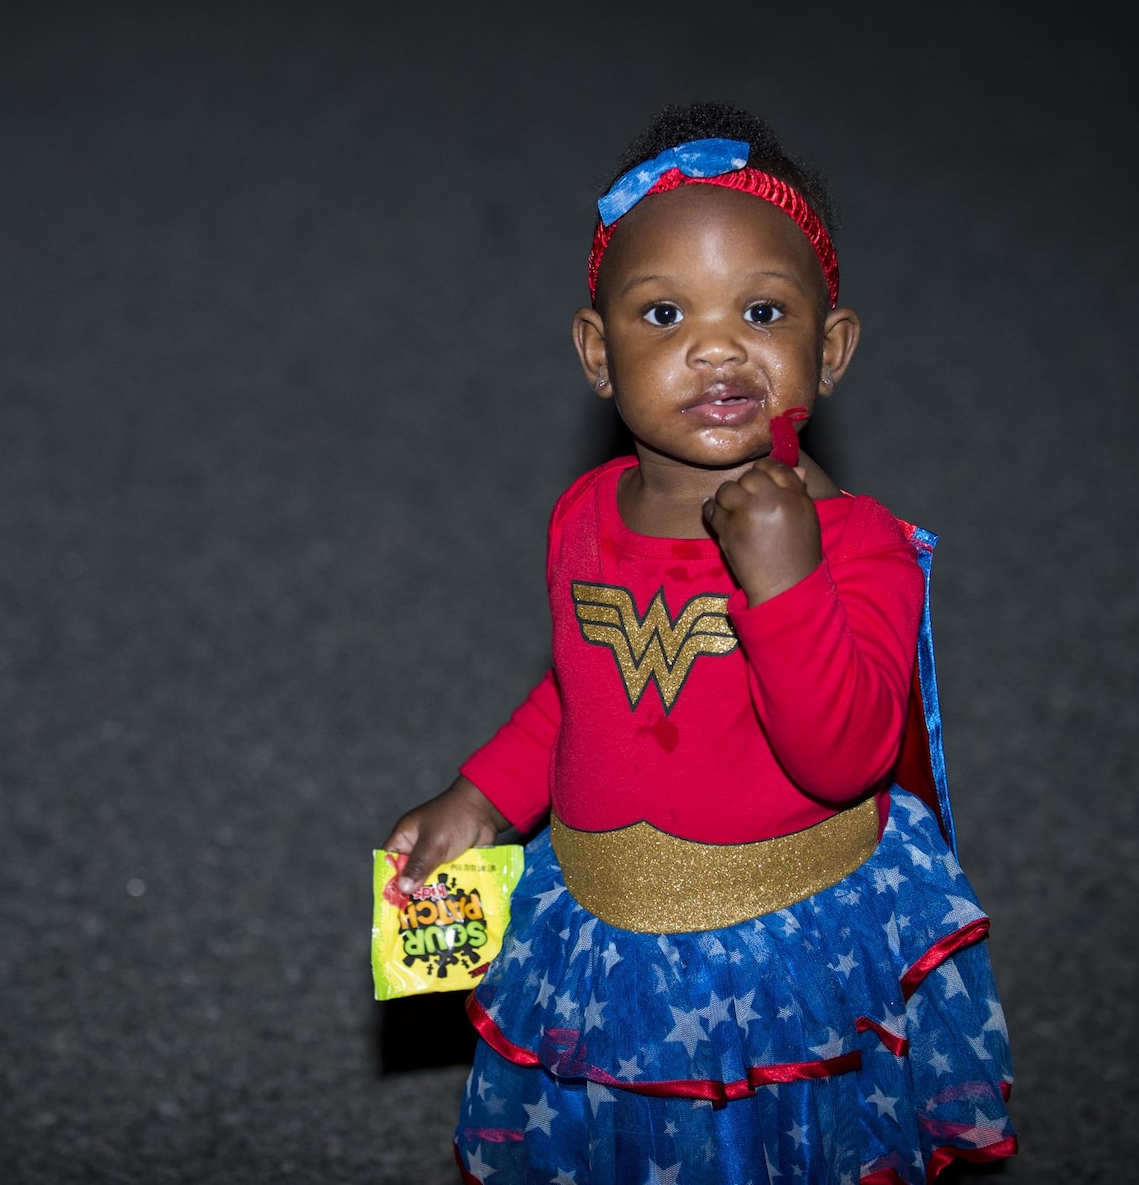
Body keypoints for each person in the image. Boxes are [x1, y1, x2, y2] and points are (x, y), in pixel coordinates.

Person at [382, 102, 1017, 1184]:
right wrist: (481, 794)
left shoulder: (862, 549)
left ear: (832, 345)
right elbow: (578, 696)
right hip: (604, 928)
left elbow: (843, 754)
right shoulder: (583, 514)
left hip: (767, 953)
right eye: (663, 312)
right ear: (596, 353)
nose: (715, 346)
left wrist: (784, 581)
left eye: (762, 310)